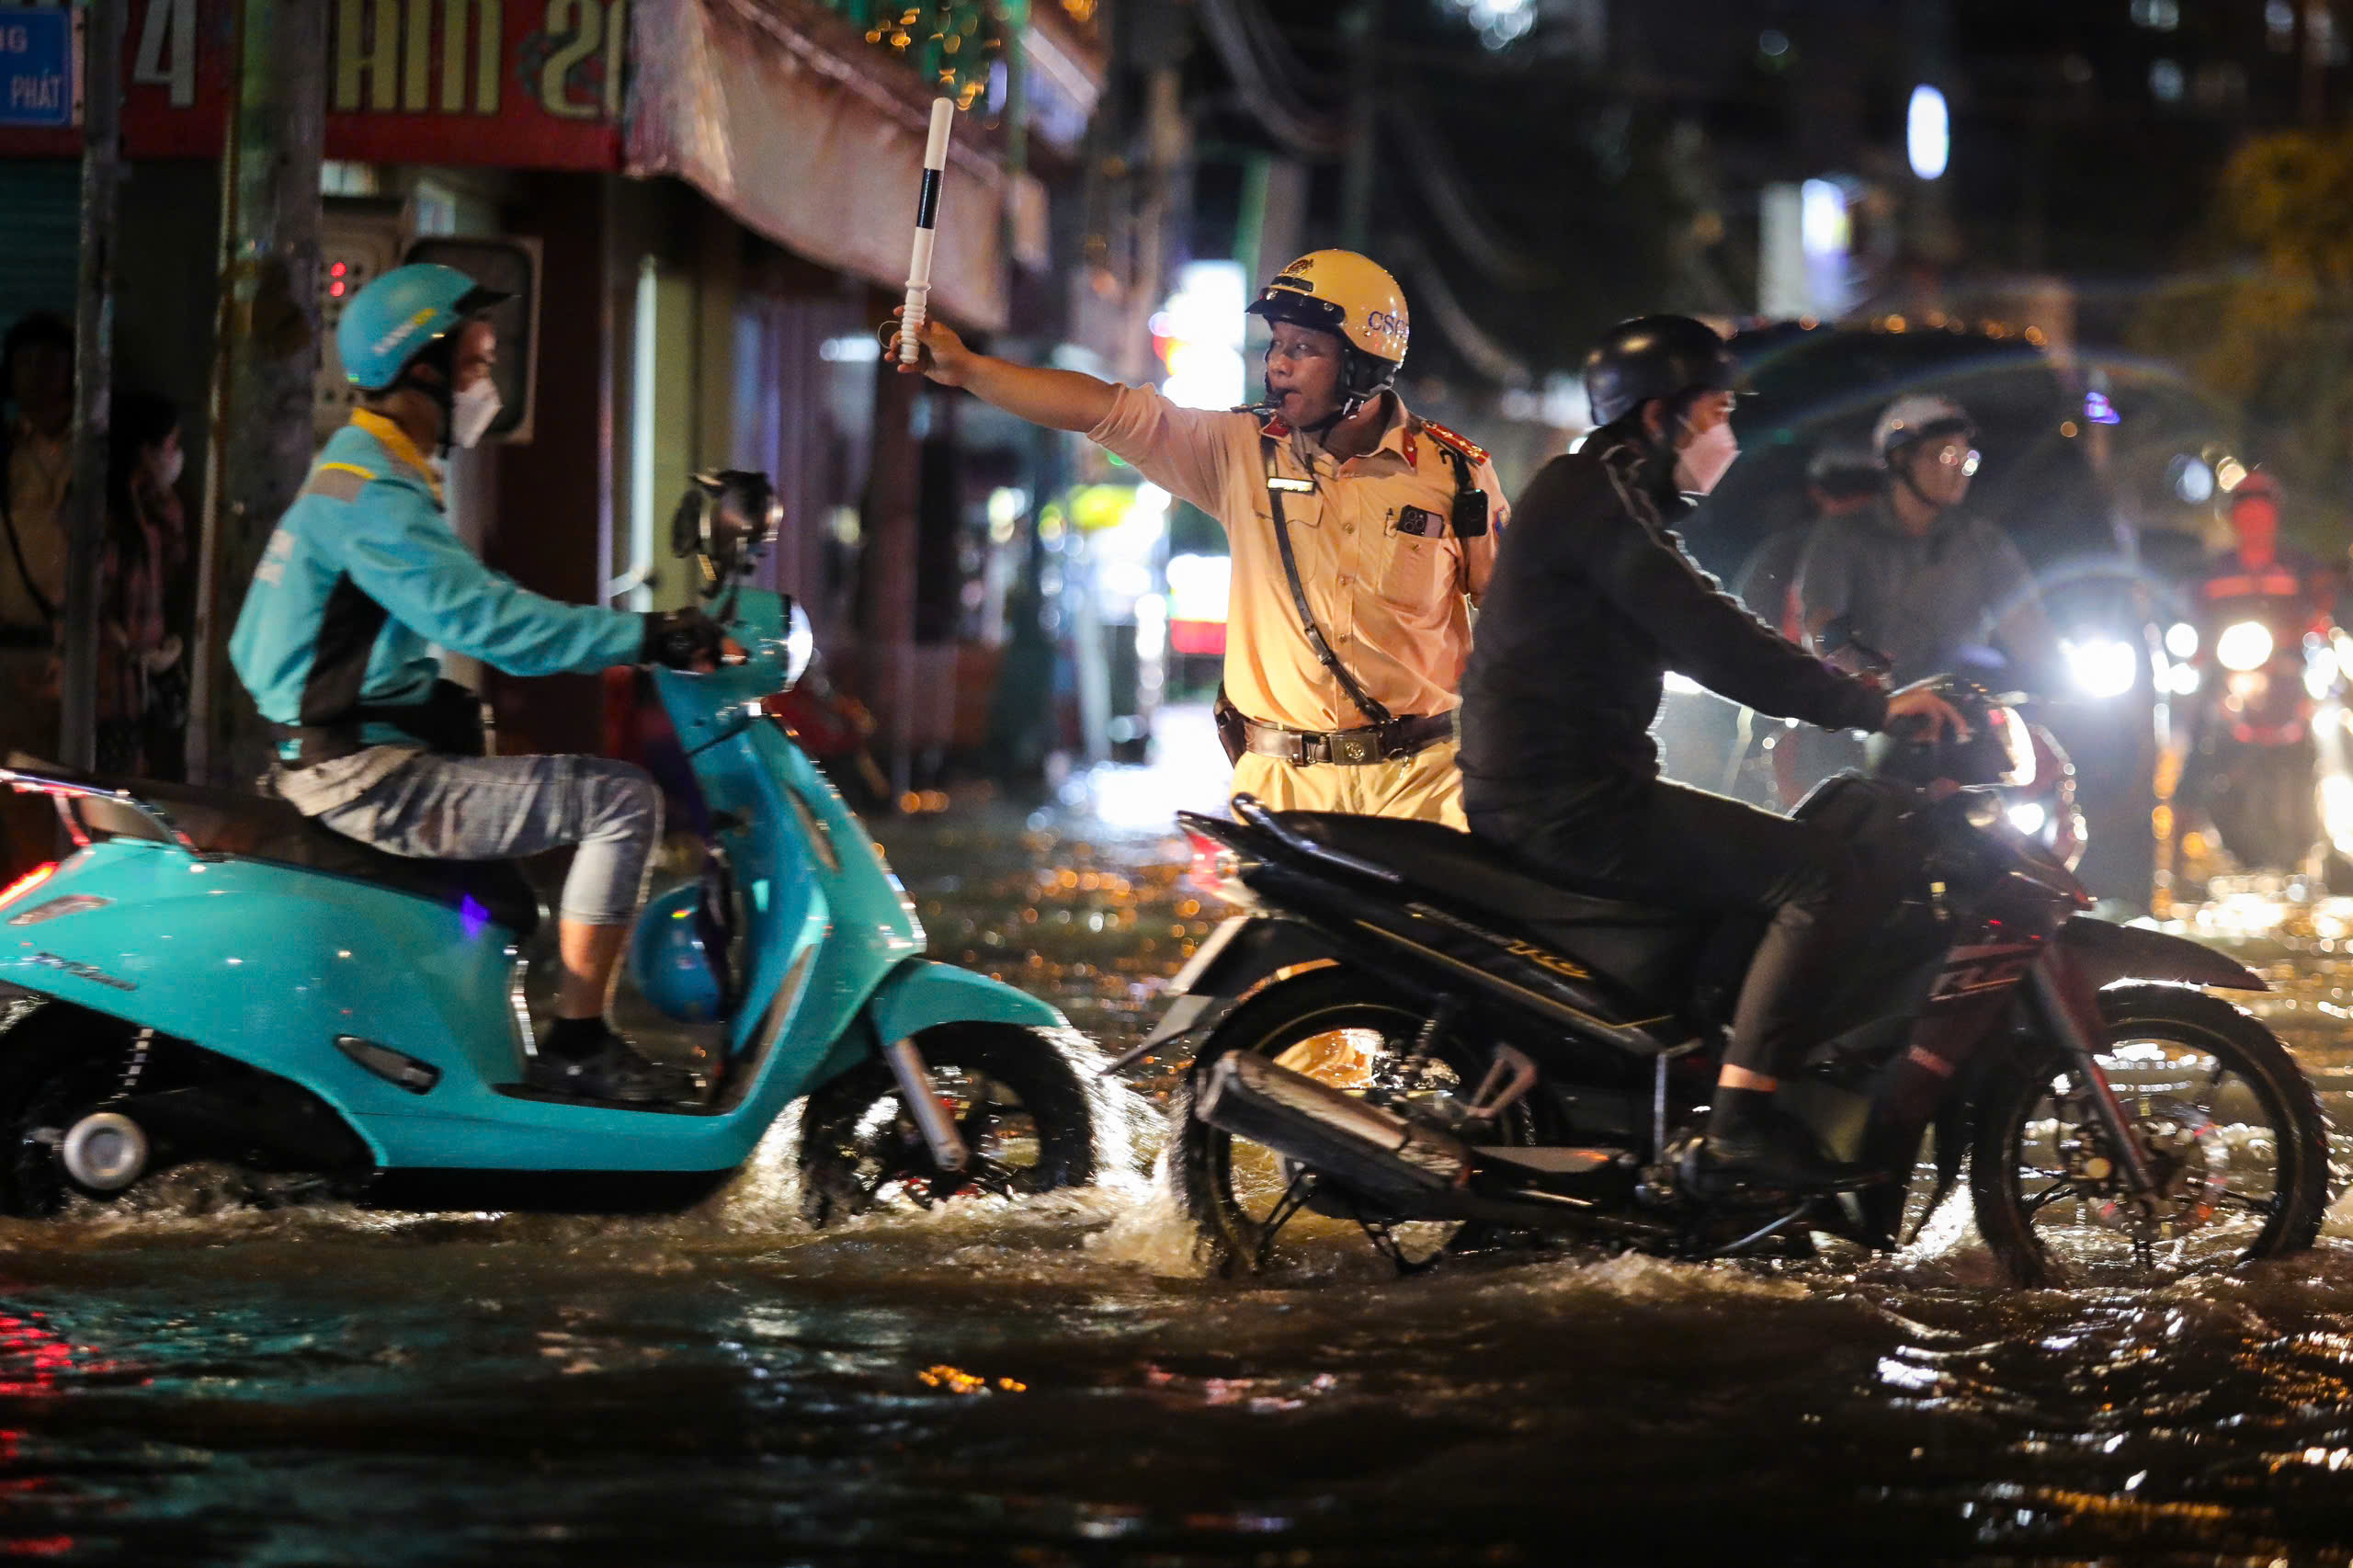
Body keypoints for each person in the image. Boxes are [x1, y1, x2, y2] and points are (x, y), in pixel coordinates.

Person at [1456, 315, 1966, 1190]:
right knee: (1820, 876)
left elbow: (1709, 617)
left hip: (1568, 786)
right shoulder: (1598, 494)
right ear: (1660, 417)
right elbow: (1710, 633)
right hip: (1569, 802)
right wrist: (1870, 707)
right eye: (1717, 412)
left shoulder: (1603, 493)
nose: (1726, 433)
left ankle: (1698, 1081)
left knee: (1777, 858)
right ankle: (1740, 1123)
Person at [229, 263, 727, 1105]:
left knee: (519, 853)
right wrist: (645, 636)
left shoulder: (366, 471)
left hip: (343, 754)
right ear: (418, 369)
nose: (487, 385)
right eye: (475, 365)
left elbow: (260, 647)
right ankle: (579, 1044)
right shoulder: (374, 494)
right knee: (623, 802)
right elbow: (490, 626)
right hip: (361, 776)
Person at [890, 249, 1507, 825]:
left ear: (1365, 362)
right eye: (1277, 344)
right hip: (1281, 788)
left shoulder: (1456, 474)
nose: (1279, 364)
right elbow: (1101, 409)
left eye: (1305, 348)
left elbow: (1515, 624)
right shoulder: (1238, 452)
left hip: (1422, 787)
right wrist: (970, 369)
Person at [1796, 393, 2060, 688]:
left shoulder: (1984, 541)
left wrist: (2060, 681)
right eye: (1947, 455)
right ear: (1900, 458)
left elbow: (2030, 631)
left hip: (1960, 707)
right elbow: (1822, 624)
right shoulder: (1842, 536)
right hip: (1869, 709)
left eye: (1967, 458)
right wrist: (1861, 672)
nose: (1960, 470)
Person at [0, 312, 74, 871]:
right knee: (17, 803)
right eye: (26, 365)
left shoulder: (97, 451)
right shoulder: (7, 453)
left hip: (74, 657)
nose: (39, 378)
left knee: (71, 800)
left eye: (51, 364)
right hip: (10, 651)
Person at [96, 391, 190, 778]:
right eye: (172, 445)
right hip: (103, 695)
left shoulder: (148, 509)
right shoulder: (103, 513)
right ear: (144, 450)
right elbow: (96, 607)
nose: (177, 456)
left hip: (131, 695)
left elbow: (172, 566)